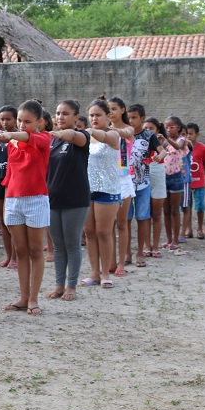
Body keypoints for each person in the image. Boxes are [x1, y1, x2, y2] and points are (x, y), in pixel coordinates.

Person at [0, 100, 51, 314]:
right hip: (13, 200)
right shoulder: (11, 143)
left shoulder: (43, 138)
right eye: (19, 120)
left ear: (39, 122)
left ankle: (33, 299)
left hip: (36, 199)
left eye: (27, 121)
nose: (21, 125)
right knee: (20, 251)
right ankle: (23, 297)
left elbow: (27, 137)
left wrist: (9, 134)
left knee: (36, 250)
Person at [45, 99, 90, 301]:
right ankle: (59, 284)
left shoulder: (81, 137)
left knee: (72, 243)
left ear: (76, 117)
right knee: (58, 245)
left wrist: (60, 133)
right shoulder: (52, 141)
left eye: (65, 113)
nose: (60, 117)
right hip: (53, 199)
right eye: (58, 113)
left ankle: (71, 286)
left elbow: (73, 136)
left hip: (75, 199)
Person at [80, 98, 123, 290]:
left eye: (98, 115)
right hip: (87, 189)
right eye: (91, 115)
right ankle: (94, 272)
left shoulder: (113, 135)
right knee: (89, 232)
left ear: (107, 116)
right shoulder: (85, 136)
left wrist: (90, 132)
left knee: (104, 232)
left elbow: (105, 138)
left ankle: (106, 273)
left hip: (108, 189)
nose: (94, 118)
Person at [126, 104, 161, 267]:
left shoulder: (148, 136)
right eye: (129, 117)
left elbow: (163, 150)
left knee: (142, 218)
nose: (131, 120)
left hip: (143, 184)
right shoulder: (122, 135)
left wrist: (159, 155)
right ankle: (127, 253)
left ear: (142, 119)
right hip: (125, 184)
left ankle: (140, 253)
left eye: (134, 117)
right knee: (125, 220)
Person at [106, 96, 135, 277]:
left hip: (123, 180)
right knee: (108, 225)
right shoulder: (103, 130)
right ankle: (110, 261)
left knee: (122, 224)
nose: (111, 113)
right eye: (108, 109)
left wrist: (108, 130)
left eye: (114, 109)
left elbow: (126, 134)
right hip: (107, 180)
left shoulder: (128, 129)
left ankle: (121, 263)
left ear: (122, 110)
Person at [159, 116, 190, 252]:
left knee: (174, 210)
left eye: (172, 127)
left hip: (176, 177)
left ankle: (176, 239)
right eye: (167, 127)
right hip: (164, 177)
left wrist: (166, 139)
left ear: (178, 127)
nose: (169, 129)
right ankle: (169, 238)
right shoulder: (166, 142)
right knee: (165, 210)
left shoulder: (181, 140)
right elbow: (162, 151)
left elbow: (178, 146)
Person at [0, 105, 17, 269]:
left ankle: (16, 257)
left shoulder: (17, 139)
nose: (5, 122)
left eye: (8, 119)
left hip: (12, 183)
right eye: (2, 119)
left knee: (10, 222)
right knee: (1, 221)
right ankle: (9, 256)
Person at [142, 118, 168, 258]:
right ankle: (147, 246)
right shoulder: (138, 141)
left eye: (151, 128)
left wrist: (162, 145)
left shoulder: (160, 143)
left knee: (157, 214)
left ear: (157, 130)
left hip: (158, 176)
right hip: (144, 176)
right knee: (145, 214)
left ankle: (156, 246)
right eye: (145, 127)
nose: (148, 130)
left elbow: (163, 150)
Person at [185, 123, 205, 239]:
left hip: (198, 181)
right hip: (186, 181)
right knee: (187, 205)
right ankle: (188, 229)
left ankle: (199, 228)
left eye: (191, 134)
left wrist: (200, 174)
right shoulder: (183, 148)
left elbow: (204, 163)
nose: (188, 136)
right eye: (186, 134)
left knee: (200, 205)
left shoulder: (203, 148)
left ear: (197, 134)